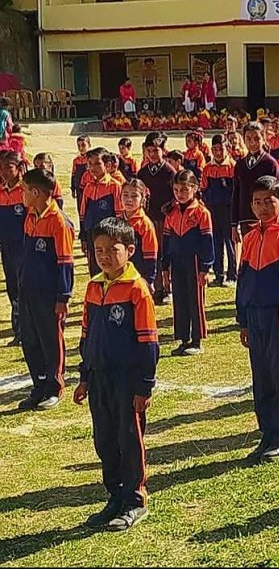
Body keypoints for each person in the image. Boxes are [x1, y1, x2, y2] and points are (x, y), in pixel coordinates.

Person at [74, 217, 158, 532]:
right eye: (99, 250)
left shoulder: (137, 289)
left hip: (127, 380)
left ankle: (135, 500)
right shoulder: (94, 286)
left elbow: (149, 343)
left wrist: (144, 386)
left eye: (113, 249)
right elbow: (87, 335)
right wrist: (84, 376)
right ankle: (115, 495)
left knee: (129, 438)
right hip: (99, 379)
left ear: (130, 250)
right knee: (105, 439)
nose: (105, 255)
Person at [236, 176, 279, 463]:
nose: (263, 207)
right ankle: (266, 432)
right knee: (262, 376)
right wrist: (242, 319)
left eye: (269, 202)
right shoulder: (251, 237)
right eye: (257, 202)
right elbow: (242, 281)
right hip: (254, 315)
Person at [18, 168, 74, 411]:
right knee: (30, 341)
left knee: (51, 340)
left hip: (48, 294)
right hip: (28, 291)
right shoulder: (30, 216)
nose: (22, 194)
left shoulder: (58, 222)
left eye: (24, 189)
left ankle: (54, 386)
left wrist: (63, 296)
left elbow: (65, 262)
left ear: (36, 192)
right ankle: (38, 385)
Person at [161, 170, 214, 357]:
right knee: (180, 299)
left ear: (195, 188)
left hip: (194, 261)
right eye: (176, 189)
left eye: (184, 189)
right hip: (176, 260)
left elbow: (208, 242)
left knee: (195, 300)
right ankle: (183, 338)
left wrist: (206, 267)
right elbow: (166, 241)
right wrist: (164, 266)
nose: (179, 193)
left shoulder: (201, 213)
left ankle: (197, 340)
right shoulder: (171, 212)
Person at [137, 132, 177, 305]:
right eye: (150, 150)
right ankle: (154, 287)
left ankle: (167, 289)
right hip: (148, 220)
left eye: (156, 150)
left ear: (163, 150)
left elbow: (176, 194)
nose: (153, 154)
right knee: (150, 254)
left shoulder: (169, 171)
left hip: (165, 220)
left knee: (164, 254)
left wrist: (169, 206)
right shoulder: (142, 173)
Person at [232, 122, 279, 242]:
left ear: (263, 138)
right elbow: (236, 193)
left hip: (265, 218)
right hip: (245, 218)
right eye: (248, 139)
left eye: (256, 138)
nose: (252, 142)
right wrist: (234, 224)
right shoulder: (240, 164)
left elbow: (277, 194)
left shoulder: (270, 164)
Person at [79, 148, 123, 277]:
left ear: (107, 165)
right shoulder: (88, 187)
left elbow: (119, 214)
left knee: (110, 267)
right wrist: (83, 237)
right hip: (91, 234)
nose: (93, 167)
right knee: (94, 267)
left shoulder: (115, 186)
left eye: (97, 164)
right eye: (90, 164)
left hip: (108, 235)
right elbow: (83, 214)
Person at [202, 135, 237, 287]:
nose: (218, 153)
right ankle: (218, 274)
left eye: (221, 149)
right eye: (215, 149)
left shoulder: (232, 166)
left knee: (230, 241)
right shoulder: (207, 168)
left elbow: (236, 190)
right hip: (213, 209)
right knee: (215, 241)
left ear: (227, 148)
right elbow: (203, 189)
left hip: (228, 209)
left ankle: (232, 273)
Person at [0, 150, 26, 346]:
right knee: (12, 288)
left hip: (24, 247)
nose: (4, 172)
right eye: (1, 168)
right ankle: (18, 330)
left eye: (9, 167)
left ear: (19, 168)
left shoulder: (26, 191)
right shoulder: (1, 191)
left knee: (23, 287)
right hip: (7, 246)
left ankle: (26, 331)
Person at [119, 179, 159, 291]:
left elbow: (151, 254)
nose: (129, 199)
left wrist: (149, 279)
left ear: (142, 199)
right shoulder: (117, 221)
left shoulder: (145, 224)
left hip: (139, 274)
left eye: (134, 196)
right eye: (125, 195)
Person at [71, 135, 91, 205]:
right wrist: (73, 189)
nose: (81, 148)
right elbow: (73, 174)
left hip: (88, 187)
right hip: (78, 187)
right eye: (78, 146)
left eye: (83, 145)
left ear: (89, 145)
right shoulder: (76, 160)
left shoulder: (91, 159)